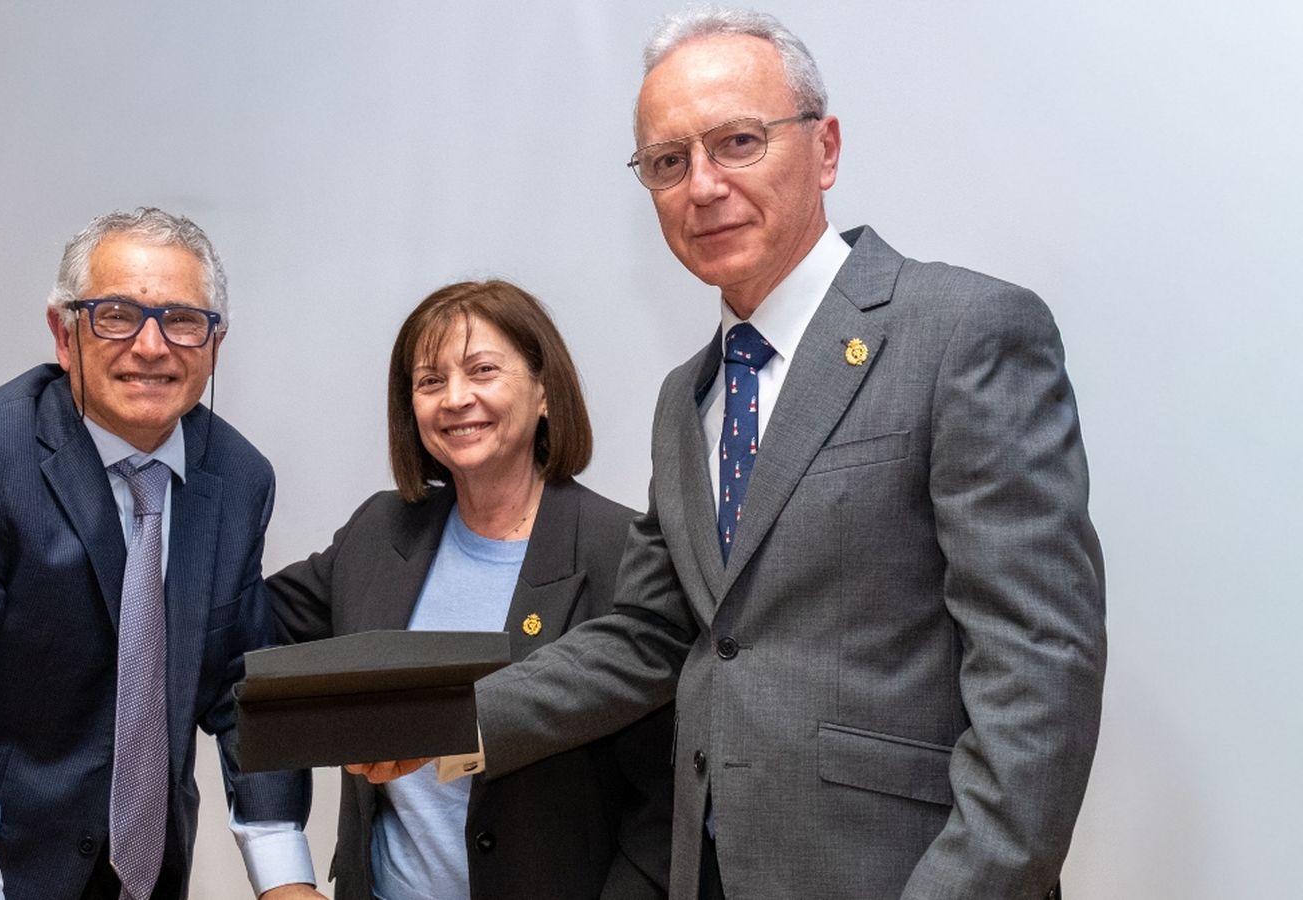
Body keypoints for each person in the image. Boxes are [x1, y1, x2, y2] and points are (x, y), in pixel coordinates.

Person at [362, 9, 1106, 900]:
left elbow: (1039, 665)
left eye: (738, 142)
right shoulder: (689, 397)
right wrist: (453, 716)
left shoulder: (963, 333)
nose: (702, 185)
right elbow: (651, 635)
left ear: (825, 149)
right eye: (667, 162)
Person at [0, 208, 323, 900]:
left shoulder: (238, 479)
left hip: (130, 877)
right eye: (116, 314)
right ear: (64, 332)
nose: (151, 346)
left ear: (214, 342)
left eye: (181, 320)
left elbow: (244, 688)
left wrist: (284, 875)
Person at [267, 280, 674, 900]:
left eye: (482, 370)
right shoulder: (379, 531)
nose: (456, 399)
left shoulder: (622, 550)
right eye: (430, 381)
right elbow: (241, 631)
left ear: (543, 389)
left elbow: (664, 809)